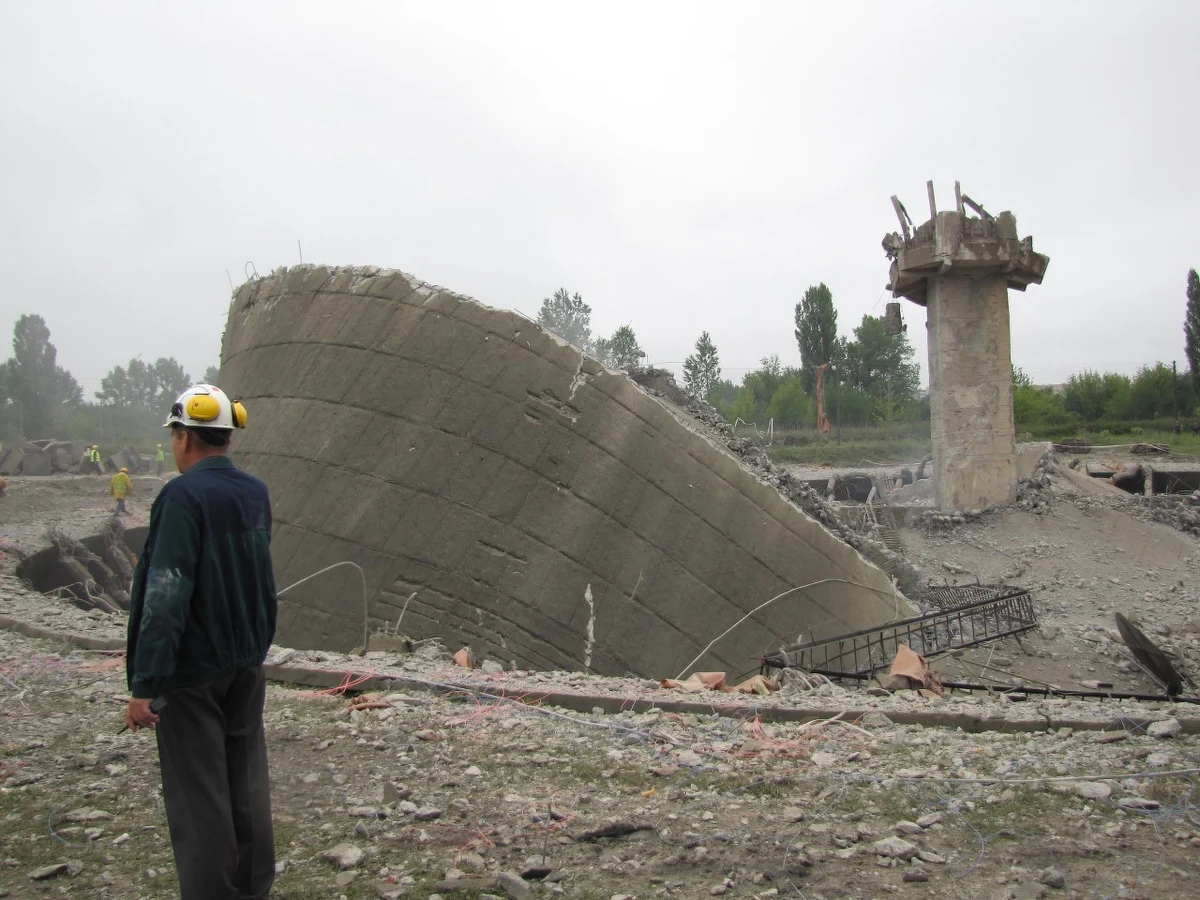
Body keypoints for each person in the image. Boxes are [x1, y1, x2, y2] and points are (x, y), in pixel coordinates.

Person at [124, 383, 276, 900]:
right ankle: (253, 888)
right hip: (246, 664)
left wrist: (145, 682)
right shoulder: (254, 492)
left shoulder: (181, 496)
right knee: (246, 785)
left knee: (200, 798)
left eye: (173, 435)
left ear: (186, 438)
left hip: (192, 673)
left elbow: (166, 591)